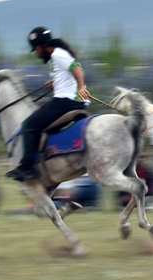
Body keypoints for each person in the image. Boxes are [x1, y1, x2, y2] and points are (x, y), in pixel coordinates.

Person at [6, 27, 90, 182]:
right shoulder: (58, 55)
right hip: (70, 101)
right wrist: (55, 82)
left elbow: (77, 69)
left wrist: (81, 88)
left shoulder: (57, 54)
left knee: (29, 125)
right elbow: (69, 71)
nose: (37, 54)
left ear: (41, 46)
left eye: (36, 49)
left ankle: (27, 167)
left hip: (65, 102)